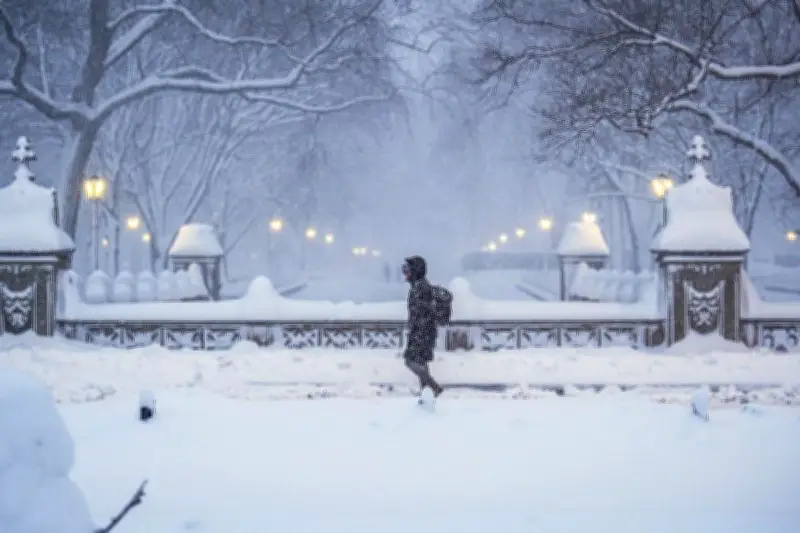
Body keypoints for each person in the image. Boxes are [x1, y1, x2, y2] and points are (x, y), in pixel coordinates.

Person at [401, 255, 444, 398]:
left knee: (410, 361)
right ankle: (427, 393)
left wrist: (417, 327)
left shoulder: (420, 287)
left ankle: (433, 387)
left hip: (422, 332)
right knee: (421, 361)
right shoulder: (420, 286)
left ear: (416, 270)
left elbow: (423, 310)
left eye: (408, 269)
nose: (405, 272)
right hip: (423, 331)